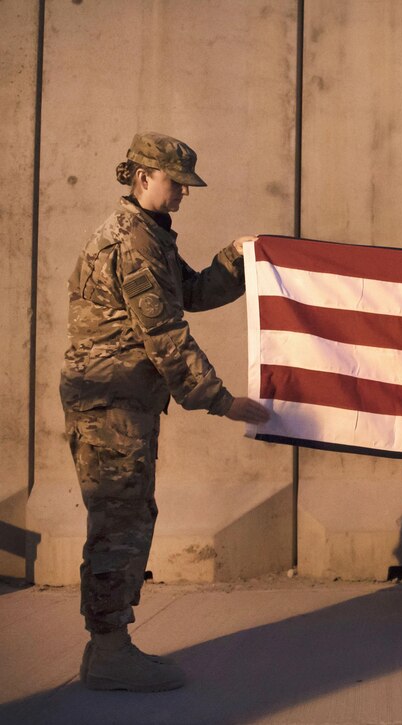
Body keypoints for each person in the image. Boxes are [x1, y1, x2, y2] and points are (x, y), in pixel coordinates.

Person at [60, 132, 271, 691]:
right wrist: (224, 403)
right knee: (119, 524)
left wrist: (237, 258)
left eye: (185, 185)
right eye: (176, 184)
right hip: (110, 402)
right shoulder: (131, 242)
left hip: (122, 400)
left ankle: (109, 647)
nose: (182, 194)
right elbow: (165, 335)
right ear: (142, 176)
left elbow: (193, 294)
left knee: (126, 518)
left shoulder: (151, 236)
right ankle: (108, 652)